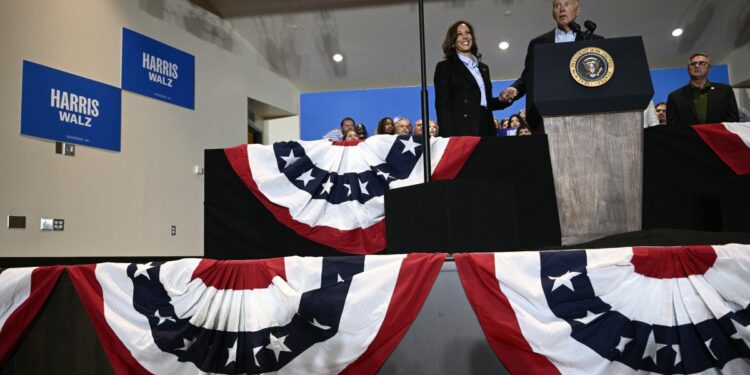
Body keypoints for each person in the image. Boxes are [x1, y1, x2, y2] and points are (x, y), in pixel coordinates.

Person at [500, 0, 602, 133]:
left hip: (586, 117)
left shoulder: (594, 41)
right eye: (556, 6)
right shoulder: (538, 44)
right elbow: (528, 76)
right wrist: (514, 88)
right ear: (553, 14)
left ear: (577, 11)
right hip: (547, 117)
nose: (562, 9)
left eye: (567, 4)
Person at [434, 20, 510, 137]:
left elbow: (486, 102)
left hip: (487, 126)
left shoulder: (484, 68)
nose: (465, 36)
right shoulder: (445, 67)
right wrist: (448, 137)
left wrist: (503, 99)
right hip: (463, 129)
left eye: (468, 32)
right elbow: (442, 105)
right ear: (453, 41)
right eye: (459, 34)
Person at [666, 53, 739, 126]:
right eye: (693, 64)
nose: (697, 66)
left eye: (702, 63)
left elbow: (733, 119)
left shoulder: (725, 90)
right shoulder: (674, 96)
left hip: (718, 136)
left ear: (709, 68)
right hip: (688, 137)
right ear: (688, 69)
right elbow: (672, 126)